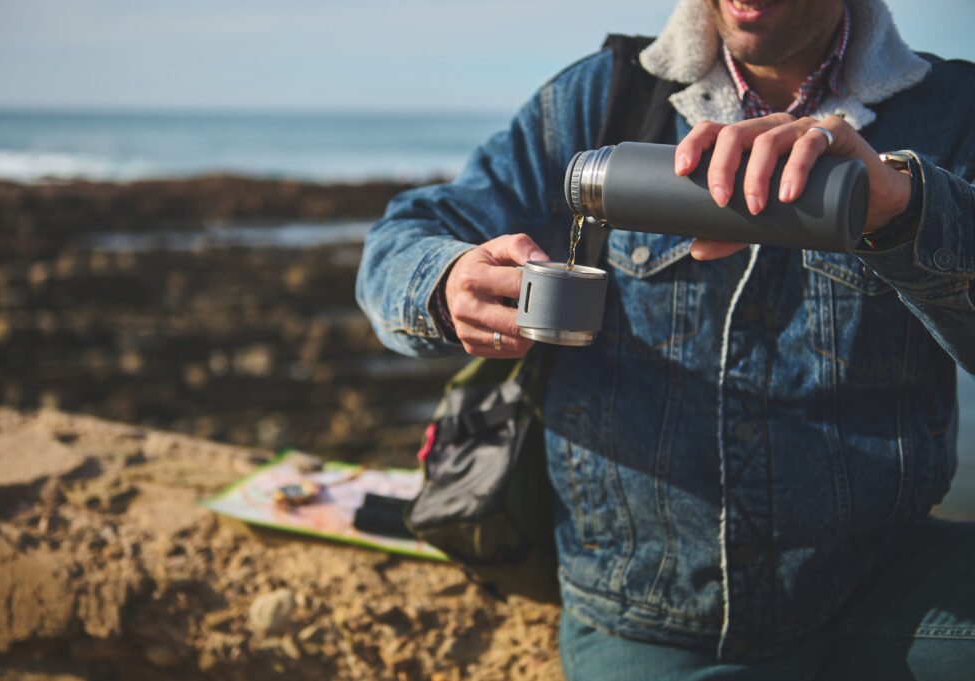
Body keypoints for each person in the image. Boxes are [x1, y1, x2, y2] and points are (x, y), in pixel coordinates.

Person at [356, 0, 975, 678]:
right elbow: (399, 241)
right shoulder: (602, 98)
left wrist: (903, 205)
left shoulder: (954, 112)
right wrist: (444, 283)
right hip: (653, 615)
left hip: (888, 584)